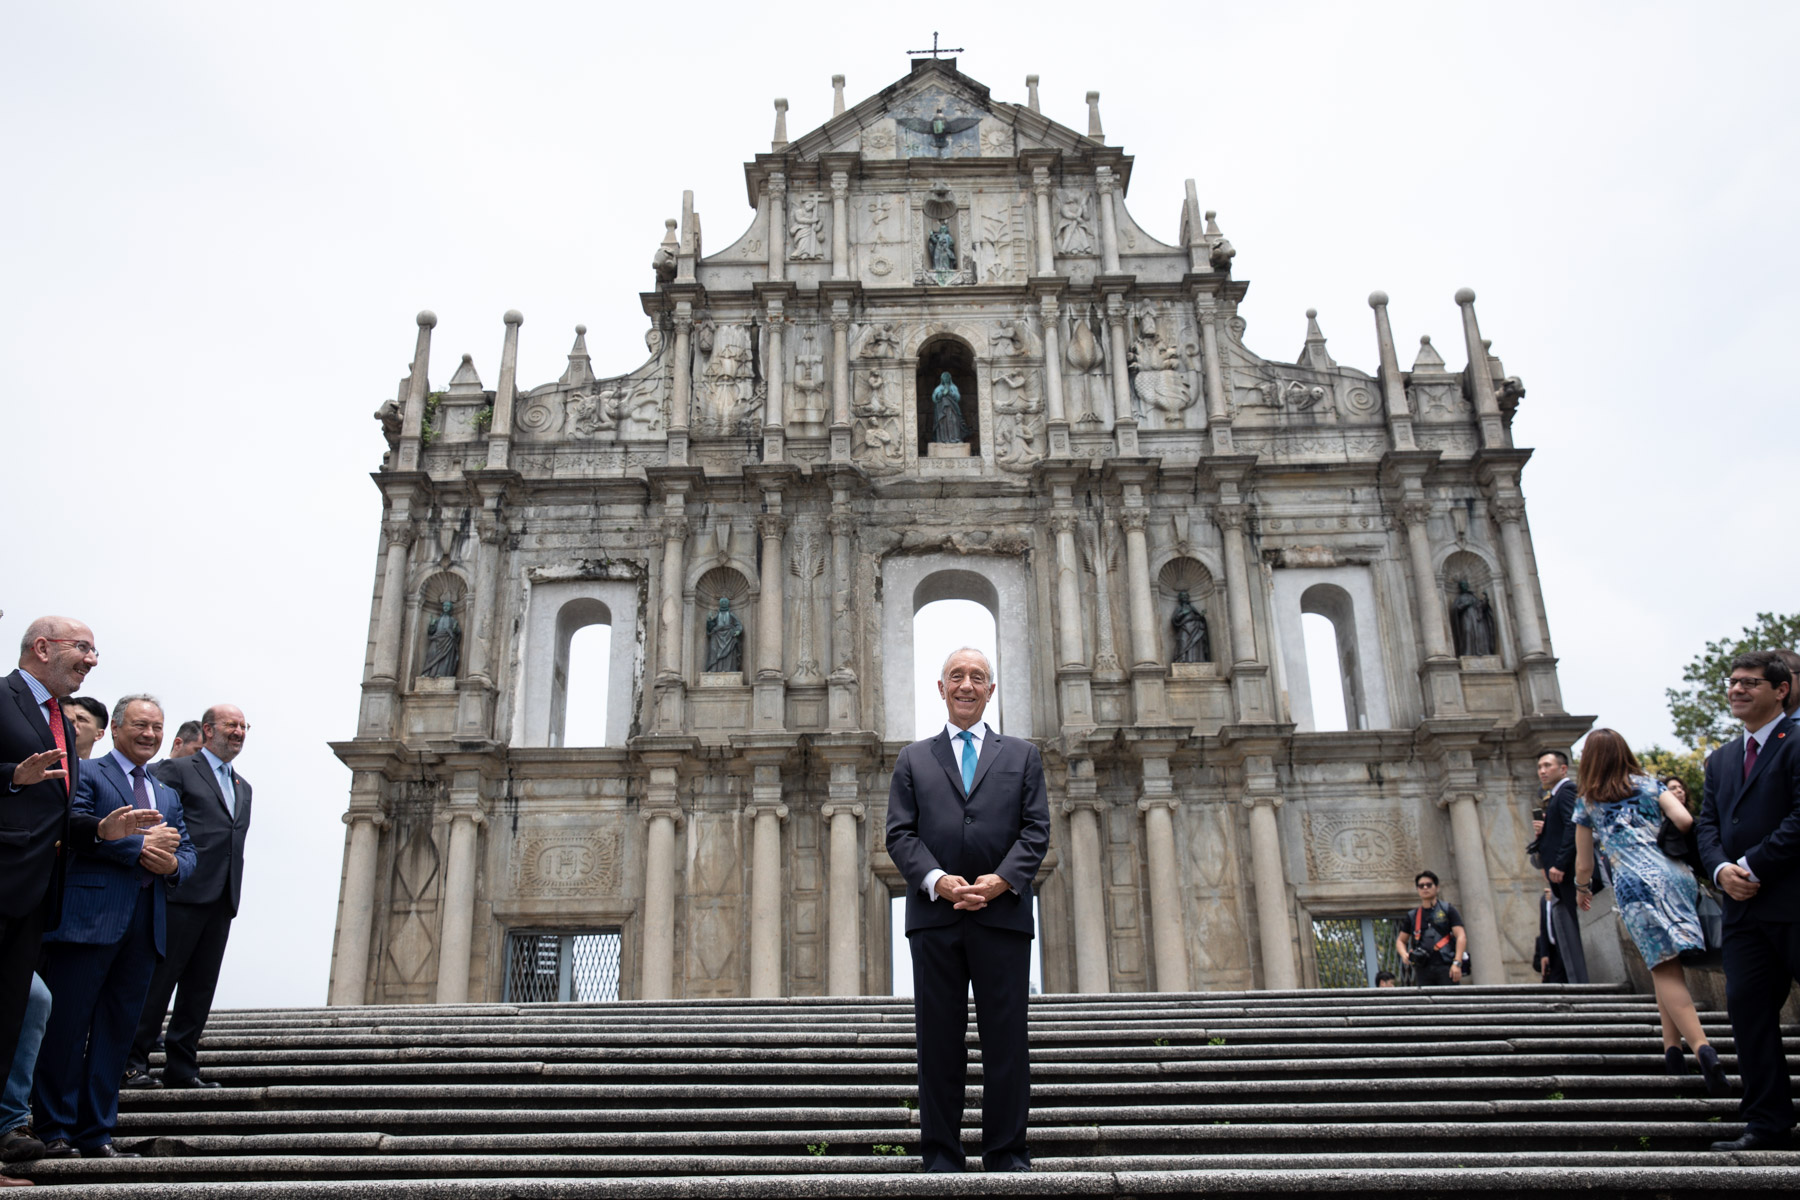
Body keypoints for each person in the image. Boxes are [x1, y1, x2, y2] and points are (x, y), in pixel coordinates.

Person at [885, 647, 1049, 1173]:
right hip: (935, 918)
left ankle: (1006, 1153)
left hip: (1002, 917)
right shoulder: (912, 759)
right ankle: (941, 1154)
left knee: (1007, 1041)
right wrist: (938, 881)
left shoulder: (1023, 756)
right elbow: (900, 834)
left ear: (990, 691)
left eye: (978, 677)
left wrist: (1002, 881)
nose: (966, 685)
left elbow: (1035, 830)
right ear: (941, 688)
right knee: (937, 1043)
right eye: (956, 676)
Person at [0, 618, 161, 1121]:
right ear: (43, 648)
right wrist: (10, 779)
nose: (92, 660)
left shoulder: (58, 722)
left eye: (95, 652)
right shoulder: (3, 698)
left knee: (13, 1017)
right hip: (5, 883)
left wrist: (99, 832)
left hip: (34, 896)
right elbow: (20, 787)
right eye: (83, 649)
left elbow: (57, 817)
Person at [32, 696, 193, 1159]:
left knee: (117, 1032)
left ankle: (96, 1132)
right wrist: (138, 848)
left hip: (146, 925)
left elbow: (188, 851)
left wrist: (172, 864)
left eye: (157, 728)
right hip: (89, 920)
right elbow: (75, 825)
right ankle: (54, 1128)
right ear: (116, 729)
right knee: (66, 1026)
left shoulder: (166, 793)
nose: (150, 735)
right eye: (140, 725)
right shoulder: (87, 773)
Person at [1573, 728, 1725, 1092]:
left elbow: (1583, 865)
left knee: (1663, 966)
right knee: (1665, 964)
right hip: (1677, 876)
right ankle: (1672, 1050)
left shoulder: (1588, 802)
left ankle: (1702, 1047)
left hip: (1634, 885)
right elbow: (1686, 821)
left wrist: (1582, 890)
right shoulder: (1650, 785)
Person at [1695, 650, 1799, 1151]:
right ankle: (1767, 1122)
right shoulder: (1719, 759)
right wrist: (1720, 869)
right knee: (1749, 1016)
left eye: (1749, 683)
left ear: (1780, 690)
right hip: (1742, 912)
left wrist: (1752, 866)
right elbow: (1708, 827)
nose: (1736, 690)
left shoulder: (1797, 741)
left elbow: (1799, 819)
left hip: (1792, 900)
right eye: (1732, 682)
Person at [125, 705, 253, 1090]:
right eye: (232, 725)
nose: (239, 732)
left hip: (221, 897)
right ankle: (131, 1061)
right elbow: (154, 819)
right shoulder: (176, 770)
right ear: (208, 729)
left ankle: (182, 1064)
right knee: (159, 982)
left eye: (245, 726)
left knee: (200, 986)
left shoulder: (243, 786)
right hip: (180, 891)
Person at [1528, 749, 1588, 982]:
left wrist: (1560, 864)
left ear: (1563, 769)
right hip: (1561, 875)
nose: (1542, 771)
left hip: (1568, 873)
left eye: (1547, 766)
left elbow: (1575, 827)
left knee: (1575, 927)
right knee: (1567, 929)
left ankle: (1584, 980)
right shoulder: (1555, 796)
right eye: (1539, 767)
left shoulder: (1567, 791)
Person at [1395, 871, 1464, 985]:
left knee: (1450, 1000)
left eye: (1429, 885)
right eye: (1421, 886)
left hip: (1446, 964)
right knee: (1426, 1000)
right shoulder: (1413, 915)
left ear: (1437, 887)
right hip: (1423, 967)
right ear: (1417, 889)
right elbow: (1401, 940)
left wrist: (1457, 963)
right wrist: (1404, 954)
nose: (1425, 888)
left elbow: (1461, 936)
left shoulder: (1448, 909)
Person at [1534, 887, 1564, 982]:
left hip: (1566, 947)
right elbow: (1543, 928)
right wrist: (1544, 954)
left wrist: (1555, 897)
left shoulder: (1560, 893)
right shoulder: (1544, 900)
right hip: (1553, 953)